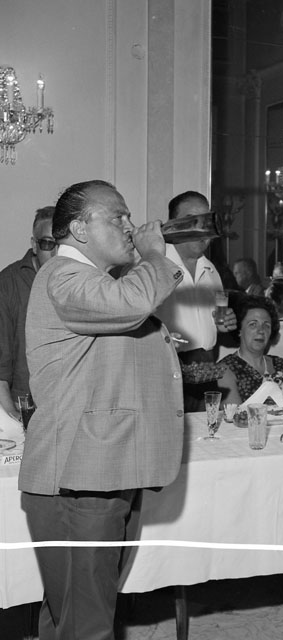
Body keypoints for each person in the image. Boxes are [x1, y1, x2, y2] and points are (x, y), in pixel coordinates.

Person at [19, 179, 185, 640]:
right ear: (79, 229)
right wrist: (154, 256)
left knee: (73, 614)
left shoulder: (92, 282)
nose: (131, 226)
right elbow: (132, 303)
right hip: (77, 478)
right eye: (118, 216)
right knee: (87, 622)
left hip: (101, 469)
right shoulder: (63, 275)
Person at [156, 190, 237, 411]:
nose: (200, 228)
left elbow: (216, 321)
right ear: (174, 225)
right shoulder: (153, 265)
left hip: (206, 373)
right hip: (165, 373)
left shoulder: (211, 270)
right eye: (192, 220)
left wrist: (224, 324)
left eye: (206, 221)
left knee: (206, 430)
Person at [0, 206, 57, 419]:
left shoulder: (80, 281)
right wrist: (14, 418)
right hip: (24, 410)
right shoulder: (8, 284)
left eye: (63, 244)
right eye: (48, 244)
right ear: (34, 245)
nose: (56, 253)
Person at [216, 295, 283, 404]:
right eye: (253, 324)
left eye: (266, 325)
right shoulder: (225, 370)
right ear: (239, 330)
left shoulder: (281, 365)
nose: (261, 330)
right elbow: (234, 413)